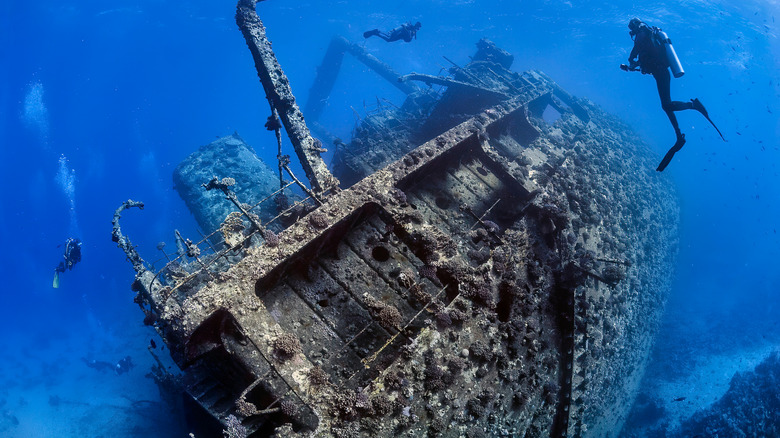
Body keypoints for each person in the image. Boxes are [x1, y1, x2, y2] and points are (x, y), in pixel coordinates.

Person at [620, 18, 724, 171]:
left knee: (666, 105)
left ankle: (693, 105)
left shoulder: (642, 34)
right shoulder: (647, 37)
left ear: (635, 26)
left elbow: (635, 50)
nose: (632, 32)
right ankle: (678, 135)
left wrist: (629, 60)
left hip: (661, 73)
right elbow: (642, 61)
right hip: (660, 72)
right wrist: (631, 66)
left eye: (631, 28)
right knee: (666, 106)